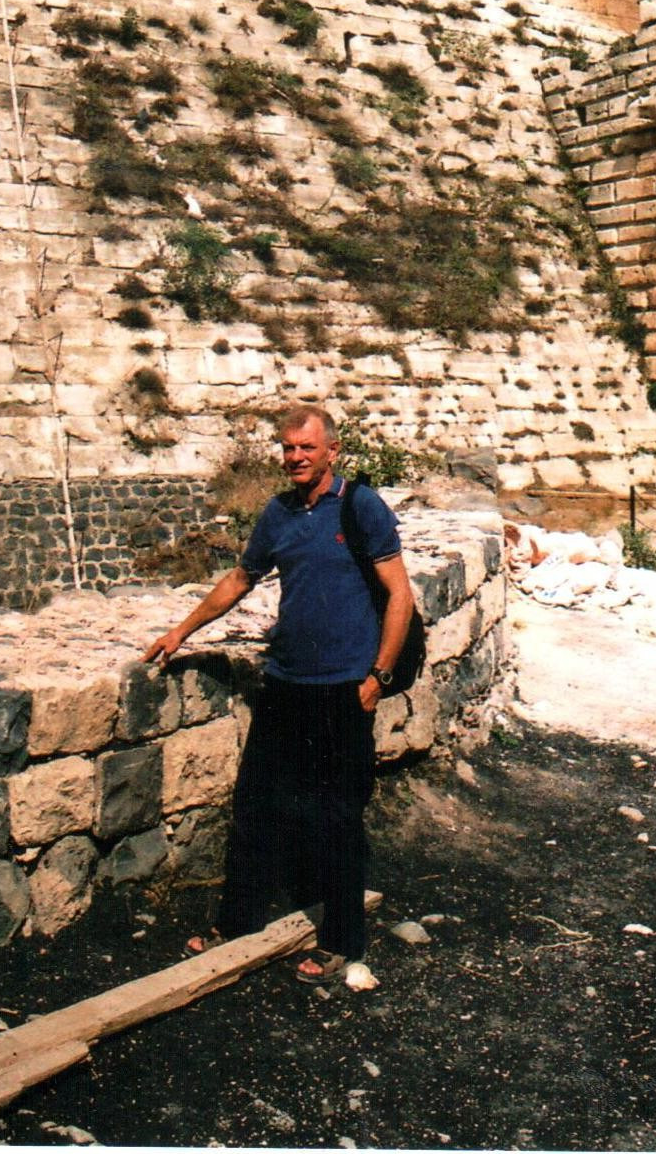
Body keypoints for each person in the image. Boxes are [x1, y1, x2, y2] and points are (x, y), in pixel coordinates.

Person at [142, 401, 414, 983]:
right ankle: (237, 922)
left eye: (306, 448)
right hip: (285, 681)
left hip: (344, 688)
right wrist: (180, 631)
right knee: (257, 805)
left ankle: (342, 940)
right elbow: (241, 579)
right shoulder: (278, 513)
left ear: (331, 451)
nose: (294, 458)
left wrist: (378, 678)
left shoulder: (361, 507)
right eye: (288, 448)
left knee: (336, 815)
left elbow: (401, 597)